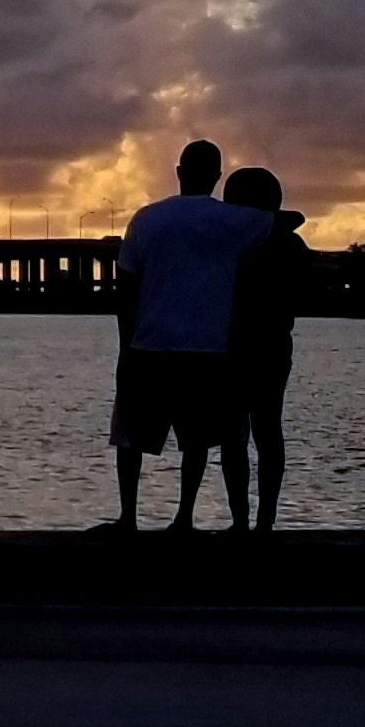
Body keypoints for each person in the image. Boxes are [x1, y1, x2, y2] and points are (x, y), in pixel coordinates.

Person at [102, 137, 272, 532]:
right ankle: (183, 517)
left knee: (130, 435)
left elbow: (126, 290)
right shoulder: (234, 221)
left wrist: (125, 348)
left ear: (178, 172)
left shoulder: (146, 219)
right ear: (217, 176)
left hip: (149, 343)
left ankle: (128, 517)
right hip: (208, 347)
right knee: (196, 438)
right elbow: (275, 220)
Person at [220, 165, 311, 534]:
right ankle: (264, 522)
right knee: (267, 431)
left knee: (233, 434)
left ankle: (240, 521)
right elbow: (300, 294)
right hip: (274, 345)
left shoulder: (231, 244)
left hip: (233, 345)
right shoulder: (291, 245)